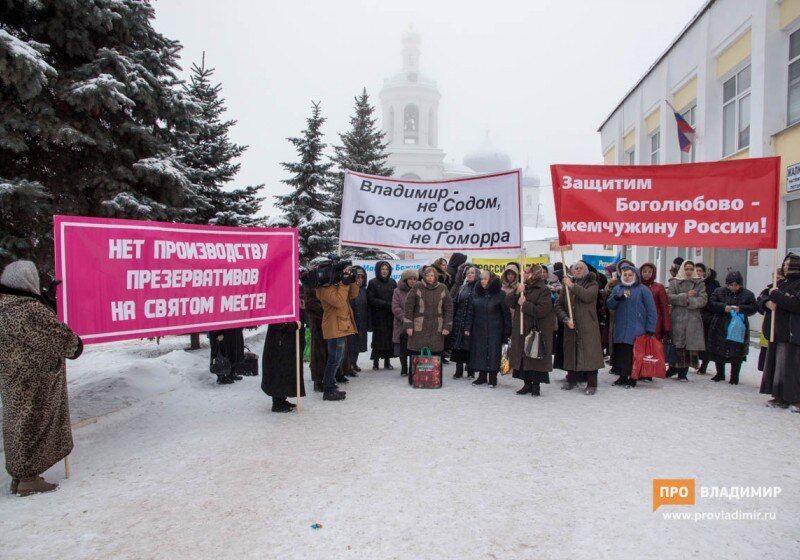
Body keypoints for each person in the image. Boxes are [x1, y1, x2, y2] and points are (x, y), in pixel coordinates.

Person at [0, 260, 83, 496]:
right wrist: (76, 344)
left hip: (11, 380)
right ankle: (29, 479)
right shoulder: (28, 310)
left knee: (17, 425)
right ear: (28, 281)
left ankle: (19, 476)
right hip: (37, 380)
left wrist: (44, 303)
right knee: (34, 426)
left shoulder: (5, 305)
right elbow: (63, 341)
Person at [554, 261, 605, 395]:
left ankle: (592, 383)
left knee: (589, 353)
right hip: (571, 325)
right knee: (572, 351)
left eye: (581, 268)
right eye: (575, 268)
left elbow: (587, 296)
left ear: (586, 271)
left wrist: (571, 285)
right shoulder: (566, 287)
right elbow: (558, 305)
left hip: (588, 326)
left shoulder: (592, 284)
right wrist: (565, 318)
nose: (577, 270)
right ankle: (572, 379)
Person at [759, 253, 800, 411]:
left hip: (793, 332)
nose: (785, 267)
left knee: (793, 367)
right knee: (778, 366)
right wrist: (767, 302)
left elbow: (796, 304)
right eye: (784, 264)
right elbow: (761, 296)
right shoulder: (780, 283)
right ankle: (780, 395)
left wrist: (776, 295)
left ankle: (795, 398)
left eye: (789, 264)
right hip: (776, 331)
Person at [605, 265, 658, 388]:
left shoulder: (643, 289)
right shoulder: (618, 289)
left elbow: (651, 310)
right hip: (620, 328)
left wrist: (650, 328)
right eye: (625, 275)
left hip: (637, 329)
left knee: (634, 354)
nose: (627, 277)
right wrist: (617, 298)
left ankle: (633, 377)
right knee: (621, 353)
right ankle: (622, 376)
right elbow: (610, 305)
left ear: (635, 276)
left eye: (630, 275)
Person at [507, 265, 556, 397]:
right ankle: (526, 383)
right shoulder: (523, 287)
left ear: (534, 274)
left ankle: (536, 385)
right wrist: (517, 292)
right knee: (524, 357)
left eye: (527, 272)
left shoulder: (543, 289)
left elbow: (542, 310)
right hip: (522, 329)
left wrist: (525, 304)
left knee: (534, 357)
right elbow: (510, 303)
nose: (524, 274)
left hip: (535, 329)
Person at [316, 267, 360, 401]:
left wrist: (352, 281)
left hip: (341, 325)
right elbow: (339, 301)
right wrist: (344, 283)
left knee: (337, 359)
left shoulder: (336, 285)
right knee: (333, 360)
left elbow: (352, 295)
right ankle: (328, 390)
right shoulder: (324, 288)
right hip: (333, 327)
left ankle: (330, 385)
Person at [705, 271, 756, 385]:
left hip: (738, 326)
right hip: (720, 324)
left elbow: (753, 308)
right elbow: (711, 304)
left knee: (737, 351)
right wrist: (723, 307)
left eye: (736, 285)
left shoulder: (748, 294)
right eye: (731, 285)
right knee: (719, 349)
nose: (733, 287)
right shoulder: (719, 291)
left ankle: (734, 376)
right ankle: (720, 373)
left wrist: (741, 308)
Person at [465, 270, 511, 387]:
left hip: (495, 329)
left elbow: (506, 314)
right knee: (479, 352)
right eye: (481, 279)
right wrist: (467, 327)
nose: (482, 281)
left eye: (485, 279)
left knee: (493, 352)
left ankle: (493, 377)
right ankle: (481, 376)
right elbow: (470, 312)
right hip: (478, 329)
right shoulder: (476, 293)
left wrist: (507, 331)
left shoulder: (500, 295)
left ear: (491, 280)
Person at [666, 260, 708, 381]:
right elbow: (670, 297)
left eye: (691, 269)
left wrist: (690, 302)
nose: (689, 271)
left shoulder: (699, 283)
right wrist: (685, 296)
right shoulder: (674, 282)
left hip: (692, 319)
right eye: (686, 269)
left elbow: (703, 300)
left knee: (688, 346)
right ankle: (673, 368)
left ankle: (683, 372)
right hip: (677, 318)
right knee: (677, 345)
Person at [404, 266, 453, 363]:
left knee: (435, 355)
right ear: (424, 276)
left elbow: (449, 308)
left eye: (432, 275)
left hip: (436, 328)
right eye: (428, 275)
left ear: (436, 277)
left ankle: (433, 377)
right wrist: (409, 326)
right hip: (419, 328)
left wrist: (447, 326)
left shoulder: (442, 288)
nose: (430, 277)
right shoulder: (417, 286)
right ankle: (416, 376)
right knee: (417, 354)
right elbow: (408, 307)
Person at [261, 316, 306, 412]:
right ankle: (277, 402)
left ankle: (282, 398)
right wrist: (293, 325)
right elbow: (278, 323)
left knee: (286, 371)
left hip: (286, 343)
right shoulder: (278, 306)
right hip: (280, 344)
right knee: (279, 372)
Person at [367, 261, 397, 370]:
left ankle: (387, 362)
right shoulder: (373, 282)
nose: (384, 271)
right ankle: (375, 362)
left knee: (389, 339)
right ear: (378, 270)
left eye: (386, 269)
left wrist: (393, 306)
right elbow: (371, 299)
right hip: (378, 316)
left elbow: (396, 297)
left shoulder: (392, 282)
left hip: (390, 315)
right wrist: (385, 304)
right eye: (382, 269)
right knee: (378, 340)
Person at [449, 266, 478, 379]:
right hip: (459, 320)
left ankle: (471, 370)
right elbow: (455, 303)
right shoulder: (462, 287)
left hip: (472, 321)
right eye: (468, 273)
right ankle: (458, 370)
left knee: (469, 346)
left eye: (472, 273)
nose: (469, 274)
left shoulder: (479, 288)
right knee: (458, 346)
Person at [392, 268, 419, 377]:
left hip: (417, 323)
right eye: (410, 279)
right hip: (402, 324)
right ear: (405, 280)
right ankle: (404, 367)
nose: (412, 281)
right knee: (403, 347)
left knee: (415, 347)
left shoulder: (419, 290)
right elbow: (395, 307)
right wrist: (405, 318)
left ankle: (414, 368)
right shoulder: (397, 291)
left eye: (414, 279)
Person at [696, 264, 721, 374]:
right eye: (695, 270)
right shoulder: (691, 282)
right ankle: (694, 362)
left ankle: (704, 364)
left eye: (700, 271)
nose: (697, 273)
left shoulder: (711, 284)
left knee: (706, 341)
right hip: (694, 315)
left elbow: (712, 301)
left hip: (706, 316)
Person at [639, 262, 671, 342]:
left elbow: (664, 308)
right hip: (639, 320)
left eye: (650, 272)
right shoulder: (637, 286)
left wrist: (666, 327)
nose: (647, 274)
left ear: (653, 273)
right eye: (644, 271)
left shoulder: (659, 287)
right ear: (640, 272)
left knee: (653, 345)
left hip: (655, 322)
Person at [304, 285, 327, 393]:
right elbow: (309, 303)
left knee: (328, 351)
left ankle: (327, 378)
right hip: (318, 323)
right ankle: (318, 380)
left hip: (328, 321)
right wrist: (327, 310)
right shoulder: (312, 283)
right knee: (318, 352)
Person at [347, 266, 369, 374]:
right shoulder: (349, 289)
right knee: (351, 344)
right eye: (358, 277)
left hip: (362, 321)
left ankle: (354, 362)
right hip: (351, 321)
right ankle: (349, 364)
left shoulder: (364, 290)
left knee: (358, 344)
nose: (360, 279)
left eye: (362, 277)